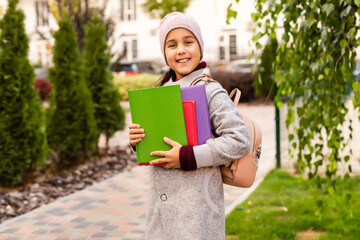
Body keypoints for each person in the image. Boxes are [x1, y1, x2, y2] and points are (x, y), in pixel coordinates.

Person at [128, 12, 251, 240]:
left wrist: (187, 156)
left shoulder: (210, 90)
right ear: (165, 53)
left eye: (188, 42)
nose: (181, 50)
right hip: (161, 215)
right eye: (172, 45)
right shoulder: (158, 91)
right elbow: (156, 142)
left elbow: (240, 140)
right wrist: (138, 140)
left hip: (196, 214)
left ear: (200, 47)